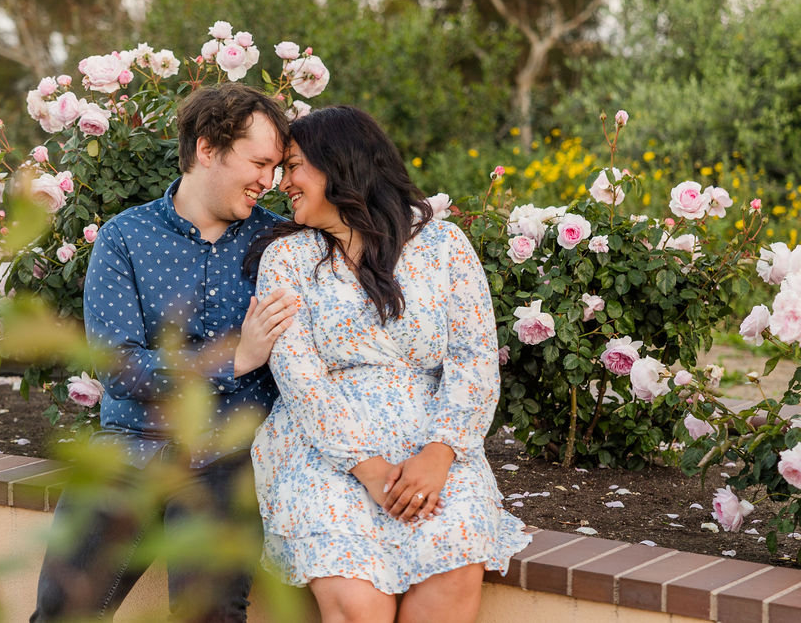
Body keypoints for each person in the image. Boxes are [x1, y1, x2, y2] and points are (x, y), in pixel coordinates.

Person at [251, 106, 531, 623]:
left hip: (435, 442)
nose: (281, 183)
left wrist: (439, 454)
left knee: (451, 571)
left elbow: (473, 361)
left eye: (292, 167)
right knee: (359, 609)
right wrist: (371, 470)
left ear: (340, 165)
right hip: (324, 450)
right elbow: (300, 378)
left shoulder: (444, 246)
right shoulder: (287, 259)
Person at [31, 83, 298, 622]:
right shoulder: (124, 238)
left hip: (231, 455)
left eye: (275, 168)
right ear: (207, 148)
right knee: (63, 610)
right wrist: (236, 359)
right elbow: (120, 366)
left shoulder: (282, 242)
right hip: (129, 445)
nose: (269, 182)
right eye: (259, 162)